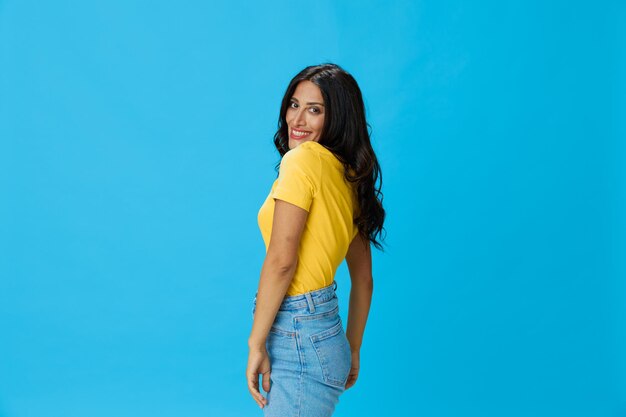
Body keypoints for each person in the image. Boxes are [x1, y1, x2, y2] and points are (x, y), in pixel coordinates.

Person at [246, 63, 386, 416]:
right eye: (294, 105)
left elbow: (282, 260)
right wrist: (352, 347)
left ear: (337, 117)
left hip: (297, 333)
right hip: (327, 334)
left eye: (315, 110)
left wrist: (256, 342)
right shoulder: (349, 175)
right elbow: (364, 280)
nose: (298, 120)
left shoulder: (302, 161)